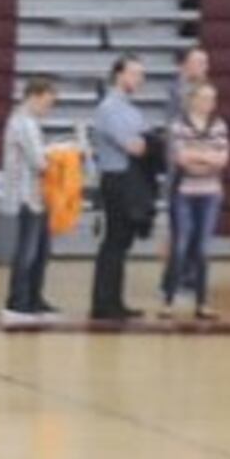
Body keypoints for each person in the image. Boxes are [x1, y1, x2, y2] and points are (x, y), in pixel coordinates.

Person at [87, 55, 157, 323]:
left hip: (129, 176)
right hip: (117, 177)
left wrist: (148, 142)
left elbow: (147, 140)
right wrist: (148, 143)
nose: (140, 79)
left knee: (123, 241)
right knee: (115, 240)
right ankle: (103, 303)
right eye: (136, 73)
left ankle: (115, 300)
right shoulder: (110, 108)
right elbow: (135, 145)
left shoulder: (130, 108)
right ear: (120, 75)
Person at [163, 80, 230, 317]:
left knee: (203, 248)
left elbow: (222, 159)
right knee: (180, 245)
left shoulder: (219, 125)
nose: (208, 103)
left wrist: (198, 158)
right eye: (204, 98)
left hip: (211, 193)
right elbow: (181, 158)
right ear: (192, 99)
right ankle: (168, 299)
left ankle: (201, 302)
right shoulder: (178, 125)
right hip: (184, 192)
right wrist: (207, 158)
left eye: (212, 99)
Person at [0, 74, 61, 324]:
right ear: (33, 97)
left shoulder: (31, 122)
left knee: (42, 250)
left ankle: (35, 297)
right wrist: (60, 155)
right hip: (27, 195)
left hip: (39, 195)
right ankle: (18, 301)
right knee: (28, 250)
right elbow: (38, 161)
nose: (48, 109)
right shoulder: (23, 122)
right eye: (47, 103)